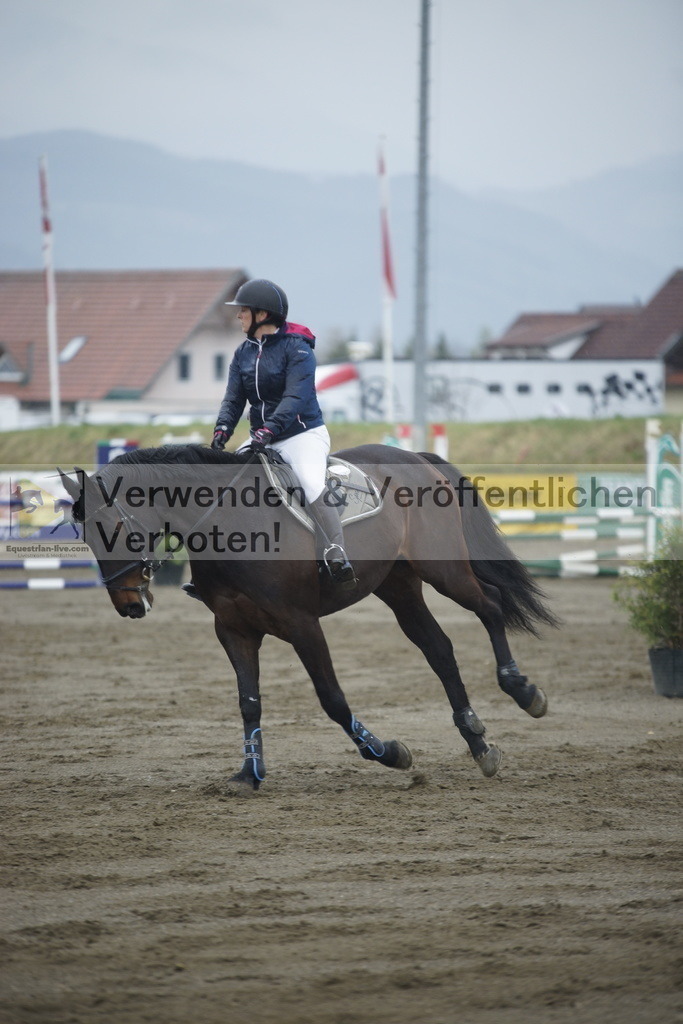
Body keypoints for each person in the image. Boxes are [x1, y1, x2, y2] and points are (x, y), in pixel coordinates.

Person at [185, 278, 356, 595]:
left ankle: (335, 552)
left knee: (309, 481)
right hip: (263, 435)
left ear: (262, 315)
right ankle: (212, 571)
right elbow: (234, 399)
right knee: (224, 489)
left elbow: (295, 400)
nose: (239, 317)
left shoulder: (299, 350)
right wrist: (222, 429)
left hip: (302, 434)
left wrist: (268, 430)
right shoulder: (243, 353)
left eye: (243, 311)